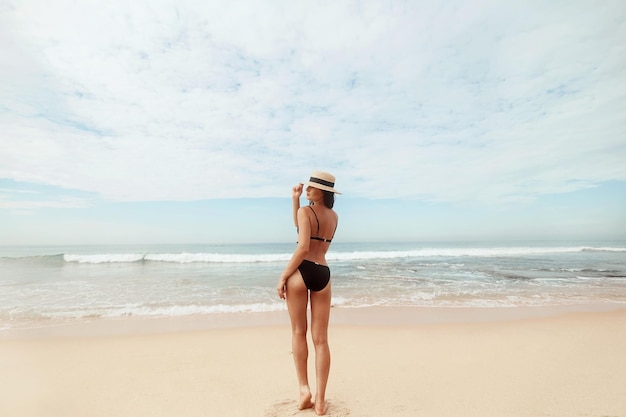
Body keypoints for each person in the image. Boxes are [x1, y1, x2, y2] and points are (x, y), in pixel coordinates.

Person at [276, 170, 340, 416]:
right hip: (323, 272)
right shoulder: (334, 217)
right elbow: (301, 226)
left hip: (300, 273)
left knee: (298, 332)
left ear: (322, 191)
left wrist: (283, 276)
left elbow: (303, 246)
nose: (307, 190)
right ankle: (321, 401)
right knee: (321, 340)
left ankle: (304, 390)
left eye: (312, 187)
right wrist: (295, 199)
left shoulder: (306, 212)